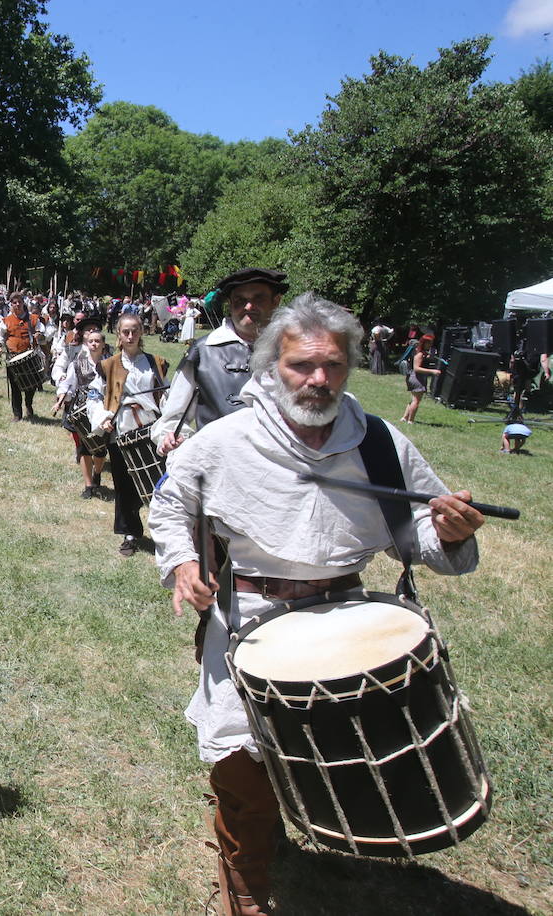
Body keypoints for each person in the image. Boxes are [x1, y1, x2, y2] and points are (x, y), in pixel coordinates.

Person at [150, 294, 484, 915]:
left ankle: (297, 827)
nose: (318, 379)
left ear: (351, 365)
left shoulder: (379, 443)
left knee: (328, 756)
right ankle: (244, 886)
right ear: (272, 367)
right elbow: (171, 504)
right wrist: (183, 562)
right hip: (249, 619)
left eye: (332, 365)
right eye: (302, 365)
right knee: (241, 764)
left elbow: (418, 531)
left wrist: (452, 532)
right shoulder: (227, 439)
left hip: (343, 621)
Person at [153, 268, 288, 456]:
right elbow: (172, 419)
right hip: (219, 470)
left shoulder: (293, 351)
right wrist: (176, 441)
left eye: (258, 299)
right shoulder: (203, 351)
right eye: (240, 301)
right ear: (230, 304)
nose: (249, 306)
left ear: (275, 301)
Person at [89, 313, 169, 556]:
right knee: (125, 485)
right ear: (118, 334)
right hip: (121, 430)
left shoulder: (156, 362)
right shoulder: (108, 365)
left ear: (142, 332)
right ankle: (130, 533)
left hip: (150, 429)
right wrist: (103, 418)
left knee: (161, 482)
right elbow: (94, 396)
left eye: (135, 330)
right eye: (126, 331)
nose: (131, 335)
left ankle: (167, 534)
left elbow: (167, 395)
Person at [54, 316, 110, 498]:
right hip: (81, 410)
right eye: (90, 336)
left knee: (100, 450)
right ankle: (88, 486)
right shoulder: (77, 361)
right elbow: (68, 383)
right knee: (84, 448)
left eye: (97, 338)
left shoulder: (110, 361)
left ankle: (97, 473)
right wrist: (60, 398)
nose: (93, 341)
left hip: (103, 409)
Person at [0, 292, 41, 421]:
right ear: (11, 304)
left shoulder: (33, 318)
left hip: (30, 356)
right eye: (14, 302)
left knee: (32, 384)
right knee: (15, 386)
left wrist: (39, 334)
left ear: (23, 302)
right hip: (13, 357)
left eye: (19, 302)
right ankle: (17, 414)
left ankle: (28, 404)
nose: (17, 304)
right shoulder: (6, 320)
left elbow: (42, 330)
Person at [401, 333, 440, 424]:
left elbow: (428, 358)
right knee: (416, 401)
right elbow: (416, 368)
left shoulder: (420, 352)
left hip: (414, 377)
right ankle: (411, 420)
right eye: (429, 343)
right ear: (424, 343)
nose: (431, 345)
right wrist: (432, 371)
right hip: (416, 378)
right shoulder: (419, 354)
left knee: (413, 399)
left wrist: (432, 354)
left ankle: (405, 418)